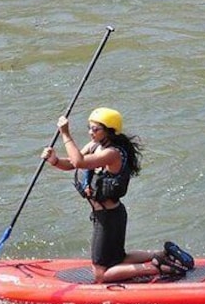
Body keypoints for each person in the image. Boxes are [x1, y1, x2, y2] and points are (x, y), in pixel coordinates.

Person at [41, 107, 194, 283]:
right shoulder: (94, 146)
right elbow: (71, 164)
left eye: (96, 129)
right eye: (89, 128)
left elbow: (79, 161)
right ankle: (164, 254)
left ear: (110, 131)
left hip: (108, 218)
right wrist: (54, 160)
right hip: (110, 215)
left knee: (100, 273)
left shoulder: (112, 153)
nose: (91, 132)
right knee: (118, 258)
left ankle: (155, 267)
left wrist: (65, 134)